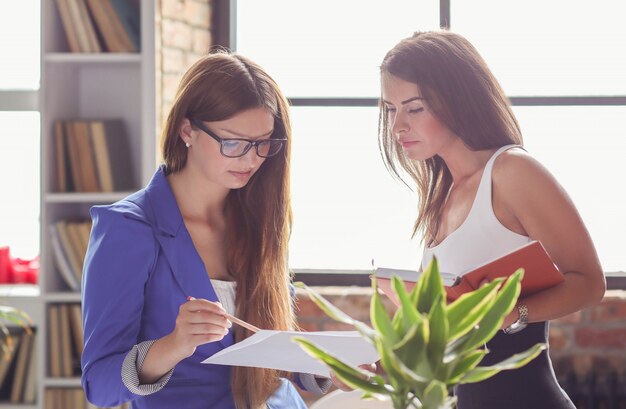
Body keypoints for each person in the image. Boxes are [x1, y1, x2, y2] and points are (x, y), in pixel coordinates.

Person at [81, 50, 330, 409]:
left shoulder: (260, 217)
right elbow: (98, 384)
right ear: (187, 130)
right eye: (233, 143)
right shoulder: (128, 228)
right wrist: (172, 345)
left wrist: (325, 365)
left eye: (263, 144)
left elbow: (264, 354)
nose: (251, 160)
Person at [378, 31, 605, 408]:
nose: (397, 125)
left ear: (456, 101)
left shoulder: (512, 172)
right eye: (389, 109)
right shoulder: (441, 197)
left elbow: (589, 283)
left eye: (414, 108)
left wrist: (512, 314)